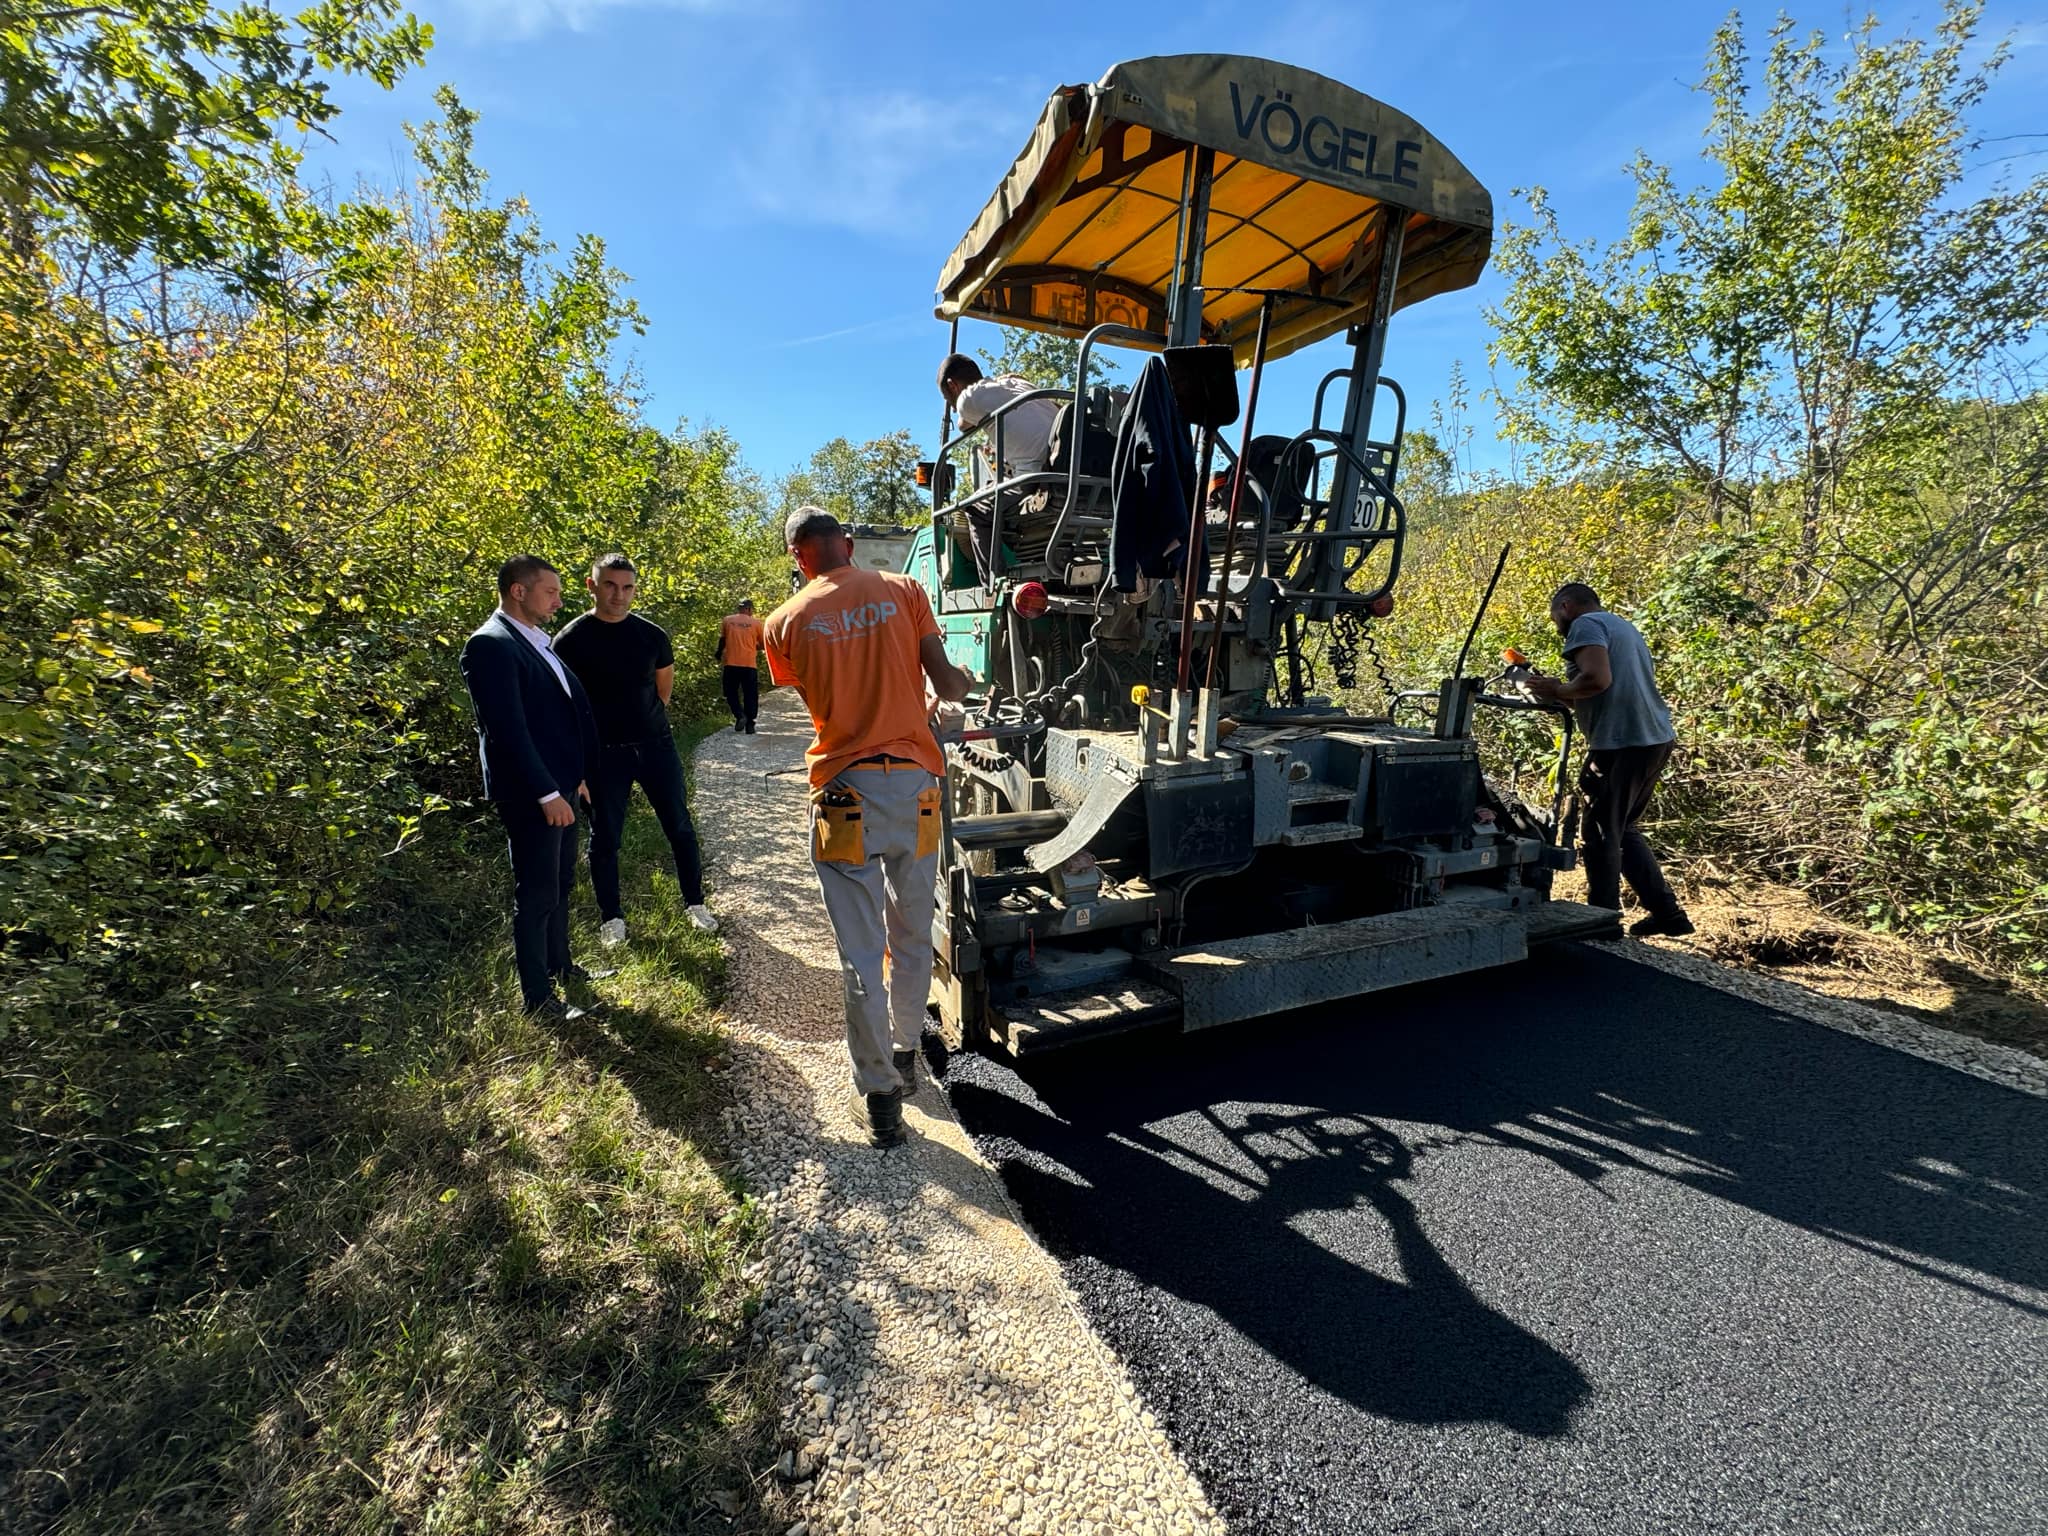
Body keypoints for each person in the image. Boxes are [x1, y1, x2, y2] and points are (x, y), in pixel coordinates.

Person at [765, 507, 974, 1148]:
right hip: (915, 788)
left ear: (798, 557)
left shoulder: (781, 624)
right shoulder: (903, 590)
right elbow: (944, 682)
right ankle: (907, 1051)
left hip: (841, 795)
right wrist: (954, 688)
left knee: (860, 950)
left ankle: (881, 1096)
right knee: (911, 931)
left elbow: (820, 704)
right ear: (849, 545)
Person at [460, 555, 601, 1021]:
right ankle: (538, 999)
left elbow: (557, 716)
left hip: (562, 785)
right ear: (518, 591)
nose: (559, 601)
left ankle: (562, 966)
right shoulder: (490, 645)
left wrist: (576, 776)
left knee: (561, 882)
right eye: (551, 592)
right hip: (532, 793)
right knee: (537, 891)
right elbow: (508, 730)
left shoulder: (535, 641)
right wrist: (546, 793)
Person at [553, 553, 719, 946]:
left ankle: (695, 903)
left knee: (679, 825)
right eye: (610, 585)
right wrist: (576, 769)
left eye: (627, 587)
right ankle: (611, 917)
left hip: (655, 747)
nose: (618, 595)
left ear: (635, 590)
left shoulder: (652, 636)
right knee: (605, 837)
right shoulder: (570, 641)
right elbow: (562, 710)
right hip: (602, 755)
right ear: (591, 585)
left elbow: (663, 693)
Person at [1525, 582, 1694, 938]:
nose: (1556, 622)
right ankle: (1667, 914)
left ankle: (1601, 920)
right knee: (1622, 828)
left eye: (1555, 614)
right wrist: (1554, 692)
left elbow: (1597, 679)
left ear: (1566, 606)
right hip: (1653, 739)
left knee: (1599, 832)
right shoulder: (1622, 626)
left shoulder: (1585, 625)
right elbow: (1594, 691)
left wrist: (1557, 688)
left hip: (1622, 743)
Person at [937, 353, 1059, 478]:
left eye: (948, 398)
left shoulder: (968, 399)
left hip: (1035, 475)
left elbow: (962, 425)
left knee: (982, 496)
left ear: (952, 385)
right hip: (1066, 459)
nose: (953, 409)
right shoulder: (1017, 382)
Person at [716, 597, 762, 734]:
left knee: (730, 692)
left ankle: (739, 715)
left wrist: (718, 653)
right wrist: (752, 646)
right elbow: (762, 644)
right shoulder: (756, 623)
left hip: (731, 664)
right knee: (750, 694)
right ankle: (750, 724)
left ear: (739, 608)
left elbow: (723, 640)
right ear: (749, 609)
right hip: (749, 665)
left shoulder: (727, 620)